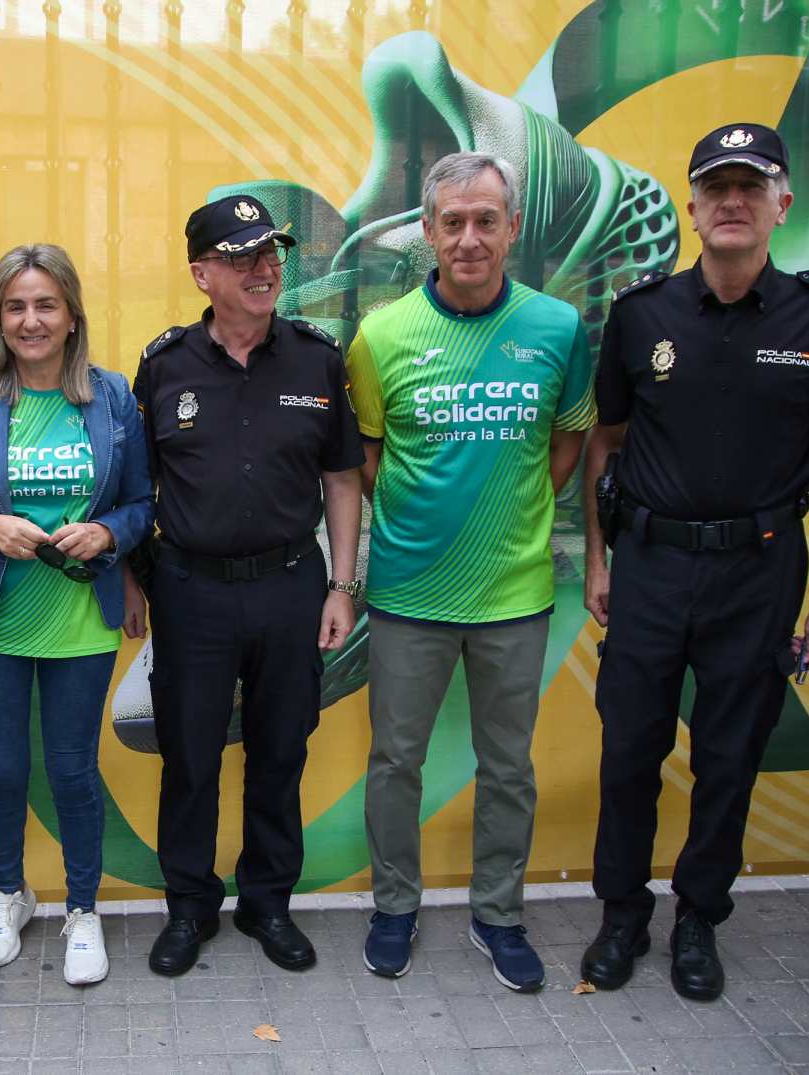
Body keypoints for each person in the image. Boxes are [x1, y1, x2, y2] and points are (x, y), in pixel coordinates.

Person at [581, 123, 809, 1002]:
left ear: (781, 204)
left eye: (752, 187)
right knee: (629, 746)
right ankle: (621, 912)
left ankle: (699, 918)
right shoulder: (641, 314)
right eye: (716, 188)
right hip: (649, 564)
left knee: (728, 752)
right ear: (692, 208)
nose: (733, 202)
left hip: (758, 570)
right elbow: (605, 443)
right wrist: (598, 560)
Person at [344, 152, 595, 994]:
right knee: (394, 763)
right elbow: (370, 457)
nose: (468, 237)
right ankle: (393, 905)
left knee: (508, 766)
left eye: (485, 219)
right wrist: (427, 520)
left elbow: (567, 443)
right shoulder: (379, 336)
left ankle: (497, 913)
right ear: (427, 231)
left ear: (511, 227)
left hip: (513, 592)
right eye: (451, 221)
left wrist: (513, 508)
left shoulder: (558, 329)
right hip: (409, 593)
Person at [127, 195, 365, 976]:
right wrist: (136, 583)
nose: (263, 269)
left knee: (278, 752)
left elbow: (341, 477)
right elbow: (135, 489)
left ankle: (267, 902)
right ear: (201, 274)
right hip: (190, 592)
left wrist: (341, 584)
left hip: (290, 586)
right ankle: (189, 907)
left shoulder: (315, 358)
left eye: (270, 254)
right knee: (189, 757)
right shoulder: (163, 366)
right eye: (240, 257)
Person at [0, 244, 154, 986]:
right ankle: (8, 893)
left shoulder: (111, 397)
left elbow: (144, 502)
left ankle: (82, 907)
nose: (30, 320)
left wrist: (110, 531)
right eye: (15, 306)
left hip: (81, 615)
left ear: (71, 314)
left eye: (45, 304)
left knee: (74, 769)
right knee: (2, 767)